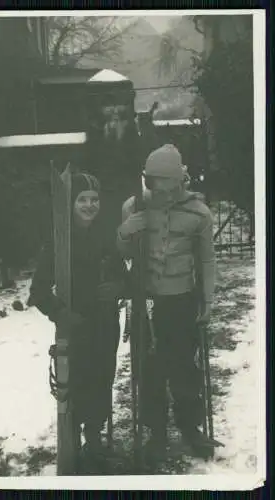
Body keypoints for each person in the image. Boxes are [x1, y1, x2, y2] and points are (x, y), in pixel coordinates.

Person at [117, 144, 216, 458]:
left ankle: (190, 428)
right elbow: (124, 255)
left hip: (183, 300)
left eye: (161, 182)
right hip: (147, 301)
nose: (155, 190)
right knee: (149, 368)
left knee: (185, 367)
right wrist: (123, 233)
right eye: (150, 182)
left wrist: (208, 301)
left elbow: (206, 262)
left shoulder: (198, 213)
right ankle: (155, 431)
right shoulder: (134, 207)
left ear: (177, 180)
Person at [28, 172, 127, 470]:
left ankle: (94, 441)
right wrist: (61, 314)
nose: (89, 205)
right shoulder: (59, 239)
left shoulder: (105, 235)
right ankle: (71, 446)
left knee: (102, 382)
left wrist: (118, 287)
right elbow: (38, 291)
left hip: (105, 324)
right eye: (82, 199)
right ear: (70, 204)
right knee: (77, 386)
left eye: (94, 200)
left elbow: (124, 277)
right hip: (76, 327)